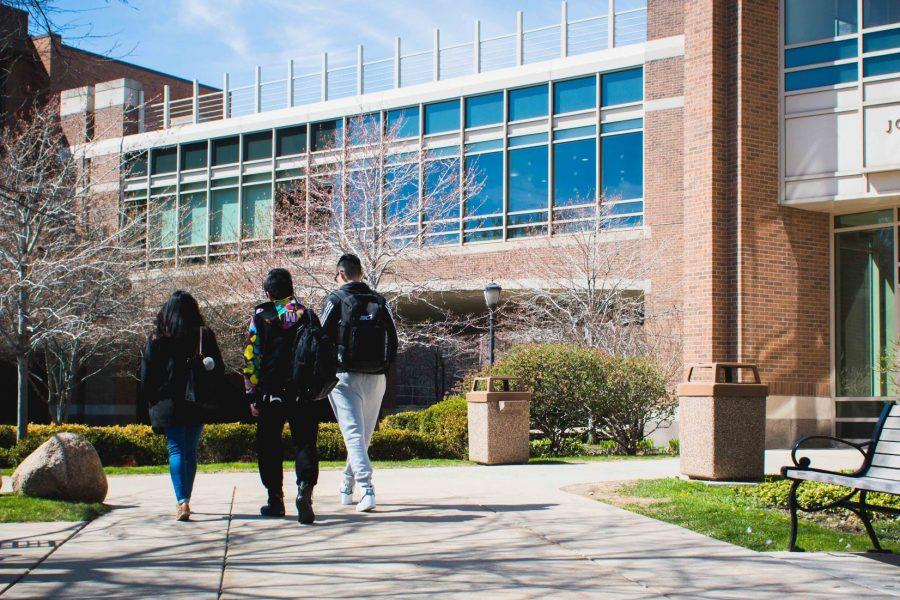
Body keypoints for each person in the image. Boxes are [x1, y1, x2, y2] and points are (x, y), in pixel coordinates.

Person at [322, 254, 398, 512]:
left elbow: (321, 338)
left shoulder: (335, 299)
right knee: (361, 437)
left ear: (341, 274)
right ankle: (346, 482)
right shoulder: (380, 300)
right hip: (377, 376)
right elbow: (395, 338)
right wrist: (385, 369)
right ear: (362, 273)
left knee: (354, 435)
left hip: (344, 376)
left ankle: (366, 488)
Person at [140, 290, 225, 521]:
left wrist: (152, 399)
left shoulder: (157, 337)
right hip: (195, 401)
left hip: (169, 402)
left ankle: (182, 501)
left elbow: (147, 374)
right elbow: (219, 369)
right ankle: (186, 498)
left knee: (176, 450)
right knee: (189, 451)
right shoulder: (202, 335)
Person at [244, 268, 320, 524]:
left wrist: (252, 394)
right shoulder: (307, 315)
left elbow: (252, 357)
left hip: (270, 392)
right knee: (305, 442)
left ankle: (275, 499)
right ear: (292, 289)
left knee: (269, 445)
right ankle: (305, 492)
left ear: (267, 292)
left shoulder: (261, 317)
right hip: (303, 392)